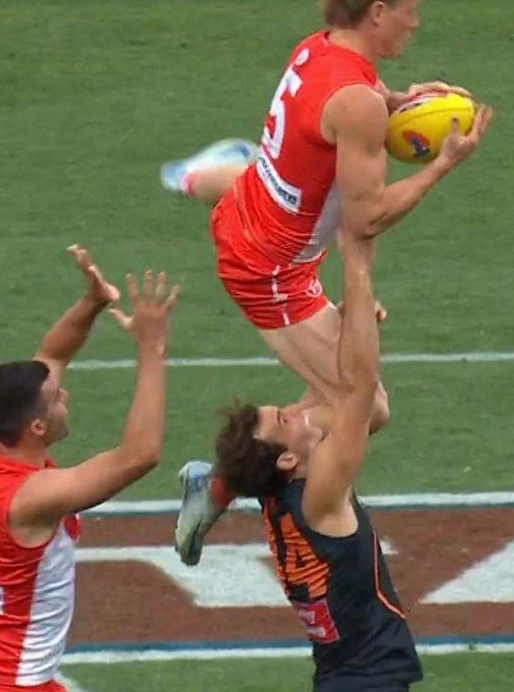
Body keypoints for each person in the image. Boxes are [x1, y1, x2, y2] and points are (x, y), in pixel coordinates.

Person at [161, 0, 493, 551]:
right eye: (411, 9)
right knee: (363, 410)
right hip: (270, 272)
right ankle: (218, 482)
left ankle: (211, 176)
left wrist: (400, 100)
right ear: (378, 13)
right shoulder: (358, 102)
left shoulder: (319, 51)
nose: (416, 24)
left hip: (261, 217)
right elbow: (363, 220)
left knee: (330, 382)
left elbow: (344, 107)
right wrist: (444, 164)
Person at [180, 231, 423, 691]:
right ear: (288, 457)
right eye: (285, 418)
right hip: (367, 681)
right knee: (370, 408)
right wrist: (358, 274)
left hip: (346, 677)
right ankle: (213, 485)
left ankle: (214, 486)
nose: (296, 411)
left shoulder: (286, 491)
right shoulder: (321, 495)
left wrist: (350, 322)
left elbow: (336, 385)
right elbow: (359, 388)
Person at [0, 247, 180, 692]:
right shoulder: (32, 497)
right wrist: (152, 346)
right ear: (37, 425)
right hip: (8, 684)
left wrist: (92, 303)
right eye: (57, 399)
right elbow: (140, 454)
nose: (66, 397)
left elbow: (53, 353)